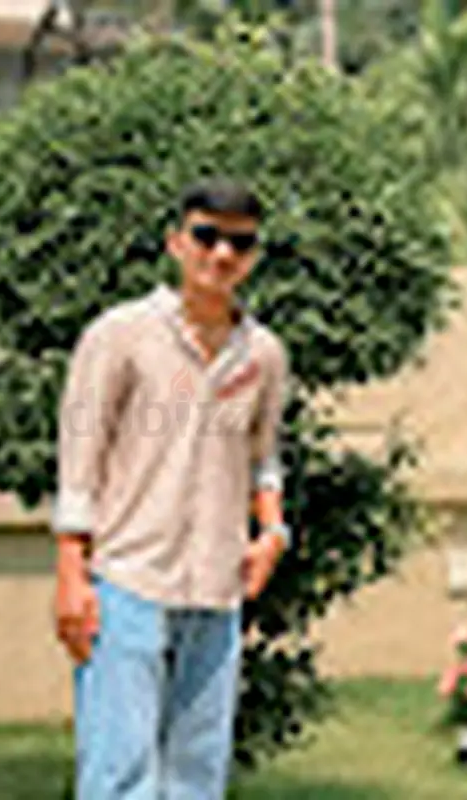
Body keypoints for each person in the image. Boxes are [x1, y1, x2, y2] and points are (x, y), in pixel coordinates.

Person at [52, 176, 292, 799]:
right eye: (206, 236)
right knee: (118, 777)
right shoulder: (120, 335)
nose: (222, 254)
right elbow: (79, 462)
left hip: (217, 590)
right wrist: (72, 576)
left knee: (196, 780)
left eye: (239, 243)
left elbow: (264, 458)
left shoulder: (263, 354)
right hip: (127, 582)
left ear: (254, 255)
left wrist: (272, 531)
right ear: (176, 243)